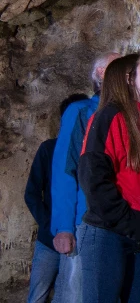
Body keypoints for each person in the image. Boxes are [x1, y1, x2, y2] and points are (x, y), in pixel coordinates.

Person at [77, 54, 140, 303]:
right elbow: (93, 175)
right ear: (128, 78)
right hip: (109, 232)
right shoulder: (109, 116)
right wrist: (127, 221)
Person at [49, 51, 120, 302]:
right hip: (84, 221)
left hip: (119, 221)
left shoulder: (129, 116)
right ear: (101, 74)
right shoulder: (80, 112)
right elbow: (65, 171)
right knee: (75, 293)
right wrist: (64, 227)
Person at [24, 93, 88, 303]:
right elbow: (32, 192)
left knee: (70, 293)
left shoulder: (90, 153)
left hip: (78, 236)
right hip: (48, 238)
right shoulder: (49, 149)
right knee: (38, 295)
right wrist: (49, 225)